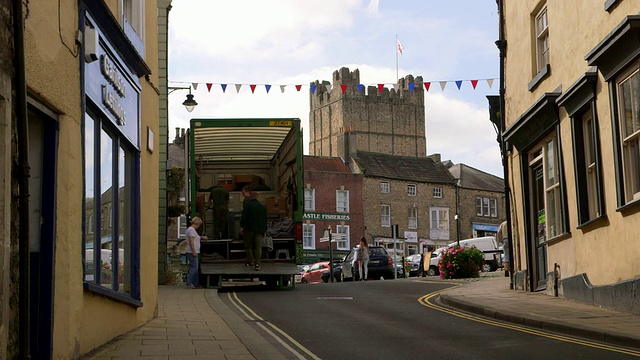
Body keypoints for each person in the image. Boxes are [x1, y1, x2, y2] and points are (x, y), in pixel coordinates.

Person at [240, 186, 267, 271]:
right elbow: (265, 219)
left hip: (249, 230)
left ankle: (251, 261)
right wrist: (264, 229)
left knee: (248, 246)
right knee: (258, 247)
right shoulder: (262, 207)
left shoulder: (248, 206)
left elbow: (244, 217)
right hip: (259, 230)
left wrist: (242, 227)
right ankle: (257, 264)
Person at [185, 217, 207, 288]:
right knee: (194, 267)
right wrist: (194, 251)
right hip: (192, 251)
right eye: (199, 225)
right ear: (197, 223)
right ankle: (189, 282)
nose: (199, 226)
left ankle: (195, 284)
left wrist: (201, 237)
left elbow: (194, 238)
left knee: (195, 267)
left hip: (191, 251)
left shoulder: (190, 230)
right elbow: (191, 241)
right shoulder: (191, 230)